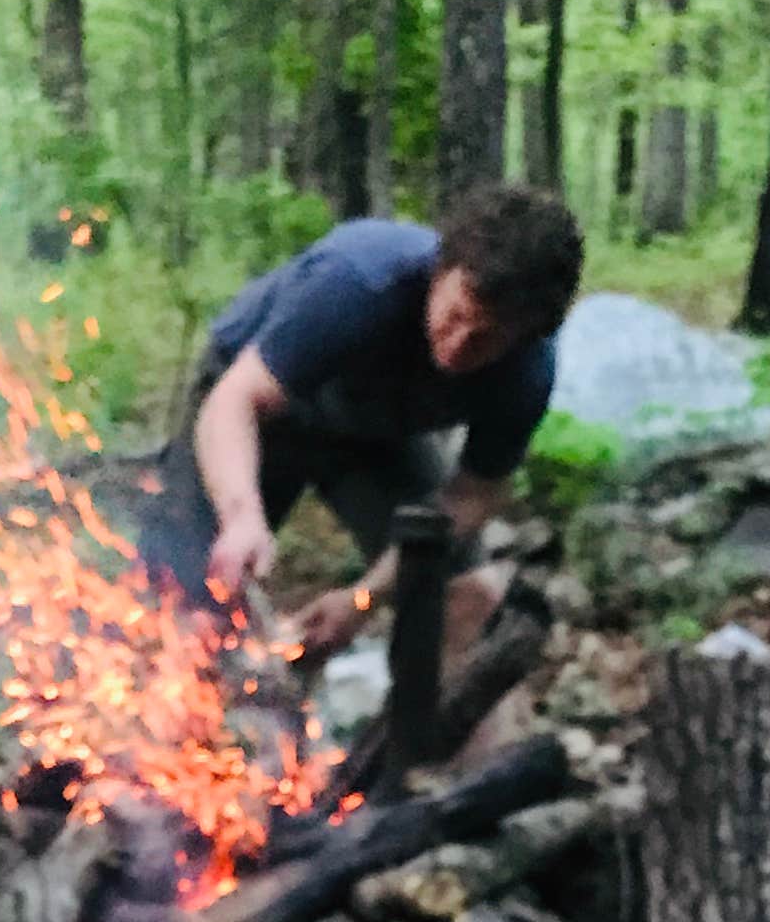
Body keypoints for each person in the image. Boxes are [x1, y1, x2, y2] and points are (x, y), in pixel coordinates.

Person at [133, 185, 583, 678]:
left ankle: (431, 744)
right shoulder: (359, 282)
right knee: (184, 588)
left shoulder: (527, 373)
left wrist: (363, 599)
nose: (457, 349)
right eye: (455, 316)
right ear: (441, 270)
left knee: (458, 589)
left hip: (376, 436)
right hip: (258, 410)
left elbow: (469, 499)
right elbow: (237, 399)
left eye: (486, 340)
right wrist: (242, 517)